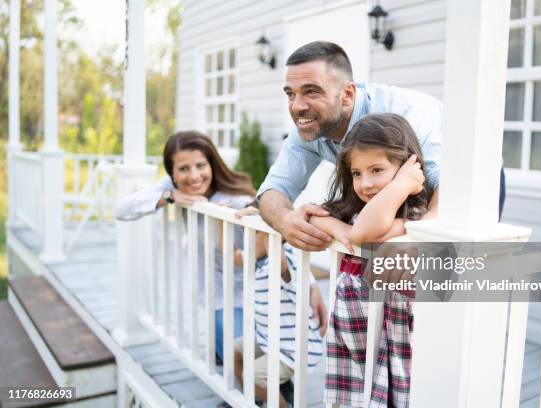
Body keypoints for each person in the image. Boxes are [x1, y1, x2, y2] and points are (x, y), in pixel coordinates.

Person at [114, 130, 328, 364]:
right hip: (215, 293)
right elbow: (122, 210)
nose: (194, 176)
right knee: (230, 358)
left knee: (251, 361)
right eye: (183, 169)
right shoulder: (175, 188)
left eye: (200, 165)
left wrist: (311, 285)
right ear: (173, 174)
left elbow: (276, 241)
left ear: (212, 164)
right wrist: (169, 195)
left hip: (253, 293)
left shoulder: (234, 202)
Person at [257, 41, 442, 252]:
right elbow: (274, 189)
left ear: (348, 94)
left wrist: (414, 238)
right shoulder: (310, 126)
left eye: (312, 91)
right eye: (290, 94)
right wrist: (285, 220)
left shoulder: (404, 115)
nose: (297, 106)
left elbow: (446, 189)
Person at [309, 113, 427, 407]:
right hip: (354, 330)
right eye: (357, 173)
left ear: (406, 169)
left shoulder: (412, 215)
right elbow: (312, 214)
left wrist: (400, 187)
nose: (365, 183)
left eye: (377, 169)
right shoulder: (355, 211)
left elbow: (364, 233)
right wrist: (338, 227)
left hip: (394, 330)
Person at [233, 205, 323, 408]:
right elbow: (232, 254)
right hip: (271, 338)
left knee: (254, 374)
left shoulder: (288, 258)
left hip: (293, 348)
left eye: (257, 233)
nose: (251, 239)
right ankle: (256, 398)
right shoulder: (260, 260)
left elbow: (279, 262)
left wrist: (267, 220)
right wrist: (226, 217)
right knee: (235, 351)